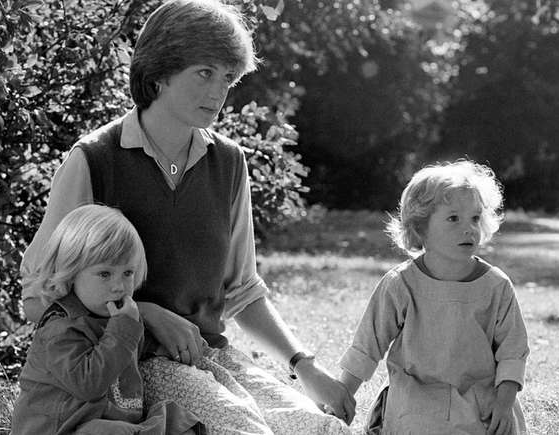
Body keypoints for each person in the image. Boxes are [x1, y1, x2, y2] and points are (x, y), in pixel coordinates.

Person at [18, 0, 354, 432]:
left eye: (228, 78)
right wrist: (144, 313)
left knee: (323, 429)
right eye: (204, 73)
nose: (219, 92)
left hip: (212, 355)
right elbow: (38, 295)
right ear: (159, 73)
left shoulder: (229, 163)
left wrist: (304, 366)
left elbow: (242, 292)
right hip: (134, 367)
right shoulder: (94, 160)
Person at [337, 160, 530, 435]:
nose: (469, 229)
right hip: (417, 398)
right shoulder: (401, 284)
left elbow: (513, 351)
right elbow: (368, 345)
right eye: (453, 218)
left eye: (475, 218)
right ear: (420, 228)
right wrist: (343, 393)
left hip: (482, 398)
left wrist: (504, 402)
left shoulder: (496, 286)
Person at [11, 204, 202, 434]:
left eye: (128, 273)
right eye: (105, 274)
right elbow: (89, 384)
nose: (119, 286)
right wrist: (124, 330)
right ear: (71, 273)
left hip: (116, 423)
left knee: (178, 419)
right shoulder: (60, 328)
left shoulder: (120, 318)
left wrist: (169, 348)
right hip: (66, 428)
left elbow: (135, 349)